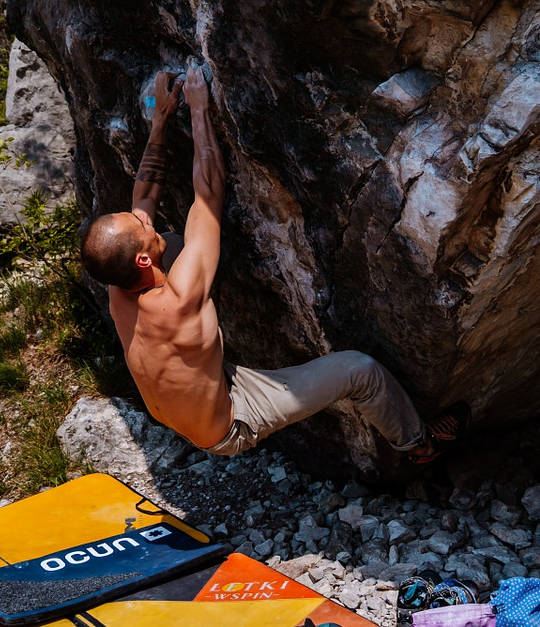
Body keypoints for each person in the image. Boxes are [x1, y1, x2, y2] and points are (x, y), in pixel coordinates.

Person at [80, 59, 464, 461]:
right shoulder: (180, 300)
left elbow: (144, 196)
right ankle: (419, 445)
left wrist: (160, 119)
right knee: (360, 371)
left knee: (172, 241)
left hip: (186, 400)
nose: (144, 217)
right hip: (231, 421)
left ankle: (200, 361)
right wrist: (198, 109)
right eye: (142, 226)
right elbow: (209, 191)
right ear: (143, 261)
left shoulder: (118, 285)